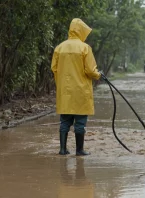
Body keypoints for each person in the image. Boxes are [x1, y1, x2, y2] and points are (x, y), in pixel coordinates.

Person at [51, 18, 101, 156]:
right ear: (81, 31)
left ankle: (62, 149)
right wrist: (98, 75)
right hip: (81, 91)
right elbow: (90, 70)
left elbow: (54, 69)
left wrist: (61, 84)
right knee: (80, 122)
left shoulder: (59, 48)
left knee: (65, 121)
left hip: (65, 91)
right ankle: (79, 150)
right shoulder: (84, 48)